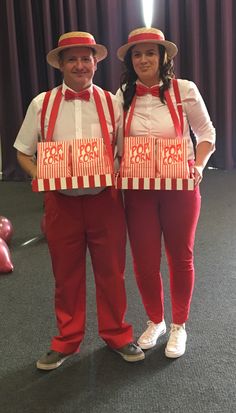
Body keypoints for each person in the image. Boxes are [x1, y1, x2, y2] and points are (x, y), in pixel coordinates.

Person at [14, 31, 144, 370]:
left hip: (106, 200)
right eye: (71, 59)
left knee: (112, 272)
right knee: (66, 274)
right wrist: (40, 177)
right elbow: (22, 152)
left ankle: (117, 334)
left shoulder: (112, 102)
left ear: (95, 63)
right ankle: (66, 340)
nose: (80, 65)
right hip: (62, 203)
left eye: (86, 58)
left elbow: (124, 151)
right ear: (60, 64)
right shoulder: (41, 104)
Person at [116, 27, 216, 358]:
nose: (144, 59)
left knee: (180, 256)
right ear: (131, 60)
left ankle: (179, 325)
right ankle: (156, 320)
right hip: (139, 191)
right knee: (144, 260)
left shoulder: (184, 89)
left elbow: (206, 133)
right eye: (137, 53)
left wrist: (198, 166)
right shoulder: (122, 95)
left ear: (163, 57)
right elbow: (110, 139)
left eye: (150, 52)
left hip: (179, 189)